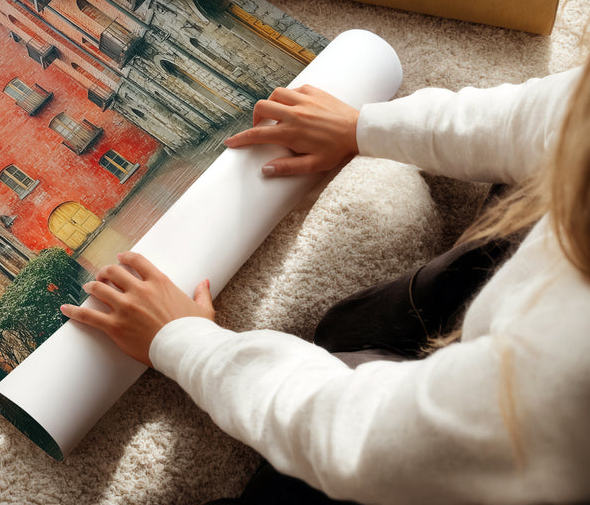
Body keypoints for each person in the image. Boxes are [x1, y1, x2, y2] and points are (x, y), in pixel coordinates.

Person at [61, 61, 590, 504]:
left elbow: (361, 437)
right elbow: (549, 115)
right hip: (517, 338)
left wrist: (183, 341)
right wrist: (363, 127)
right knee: (351, 328)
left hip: (513, 454)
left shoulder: (564, 375)